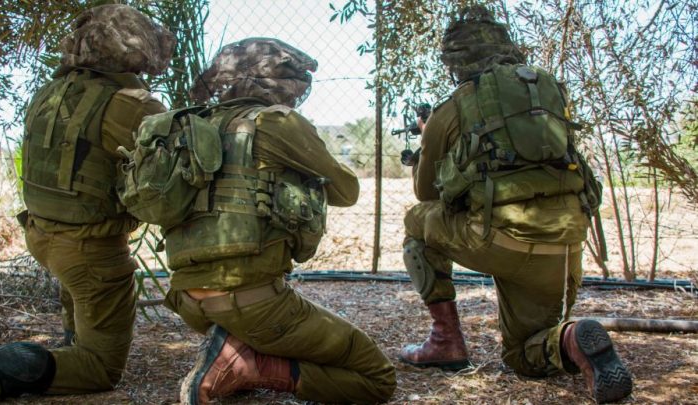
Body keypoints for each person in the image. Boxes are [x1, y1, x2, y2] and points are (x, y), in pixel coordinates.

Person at [0, 5, 174, 404]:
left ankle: (69, 344)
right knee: (100, 368)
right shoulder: (129, 104)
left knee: (80, 297)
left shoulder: (50, 93)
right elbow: (177, 176)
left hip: (43, 235)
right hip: (90, 251)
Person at [399, 6, 633, 404]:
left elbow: (426, 193)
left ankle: (445, 340)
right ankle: (571, 338)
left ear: (455, 61)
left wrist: (427, 142)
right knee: (526, 353)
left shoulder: (453, 107)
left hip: (499, 239)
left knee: (416, 222)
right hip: (564, 244)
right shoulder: (549, 92)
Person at [159, 37, 396, 404]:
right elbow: (346, 190)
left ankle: (235, 347)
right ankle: (252, 366)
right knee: (377, 378)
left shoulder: (190, 126)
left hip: (188, 301)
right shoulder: (275, 122)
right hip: (253, 304)